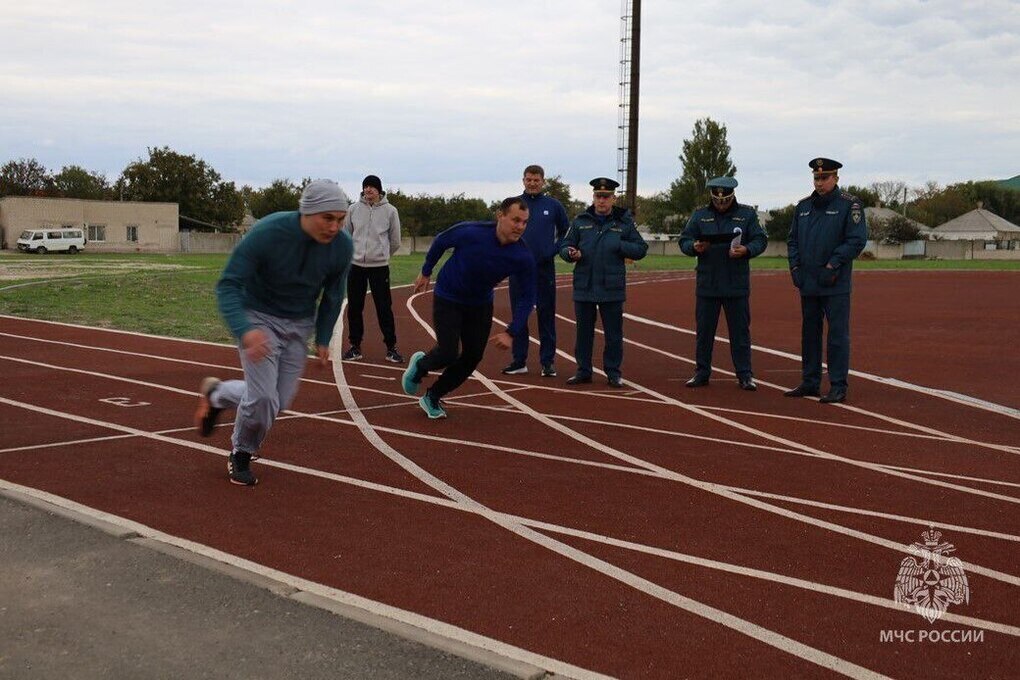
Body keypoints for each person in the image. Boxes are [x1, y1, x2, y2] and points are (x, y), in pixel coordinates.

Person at [194, 179, 353, 485]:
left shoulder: (342, 247)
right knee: (264, 398)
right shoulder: (267, 233)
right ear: (307, 213)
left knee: (275, 401)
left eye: (341, 219)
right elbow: (228, 284)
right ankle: (241, 452)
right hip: (259, 318)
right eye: (328, 218)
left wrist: (322, 338)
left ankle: (217, 395)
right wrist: (245, 329)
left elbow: (334, 295)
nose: (334, 227)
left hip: (299, 325)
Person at [401, 197, 536, 418]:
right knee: (448, 352)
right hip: (449, 296)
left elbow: (528, 296)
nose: (520, 227)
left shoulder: (522, 256)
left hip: (480, 304)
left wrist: (512, 331)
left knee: (473, 357)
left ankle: (433, 396)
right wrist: (426, 271)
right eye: (515, 220)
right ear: (500, 216)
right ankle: (420, 366)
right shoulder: (471, 232)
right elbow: (441, 241)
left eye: (524, 222)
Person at [785, 158, 867, 404]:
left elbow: (856, 240)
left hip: (835, 282)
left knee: (837, 335)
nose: (820, 183)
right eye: (816, 178)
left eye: (825, 178)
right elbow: (792, 241)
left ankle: (838, 385)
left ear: (836, 178)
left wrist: (833, 264)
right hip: (808, 281)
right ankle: (810, 381)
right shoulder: (803, 207)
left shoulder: (849, 206)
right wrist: (795, 267)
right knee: (809, 333)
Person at [679, 176, 768, 390]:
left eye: (725, 200)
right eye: (717, 200)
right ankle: (701, 372)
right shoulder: (700, 215)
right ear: (712, 196)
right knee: (704, 333)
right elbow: (684, 239)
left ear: (732, 196)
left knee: (740, 333)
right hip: (708, 283)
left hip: (736, 284)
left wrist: (747, 250)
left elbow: (760, 240)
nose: (721, 203)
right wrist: (694, 246)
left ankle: (745, 375)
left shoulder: (746, 215)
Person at [559, 177, 648, 388]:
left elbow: (641, 249)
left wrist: (620, 245)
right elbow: (565, 246)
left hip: (611, 287)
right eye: (598, 196)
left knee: (613, 334)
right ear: (593, 197)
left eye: (606, 197)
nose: (602, 201)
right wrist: (570, 254)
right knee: (583, 333)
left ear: (613, 198)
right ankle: (583, 370)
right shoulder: (580, 221)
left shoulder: (623, 223)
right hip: (585, 286)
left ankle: (613, 373)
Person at [501, 165, 569, 378]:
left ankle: (547, 362)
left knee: (546, 315)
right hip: (518, 269)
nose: (532, 183)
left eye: (536, 180)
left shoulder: (554, 205)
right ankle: (519, 360)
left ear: (543, 181)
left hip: (544, 269)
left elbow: (566, 232)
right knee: (519, 314)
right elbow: (501, 229)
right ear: (523, 180)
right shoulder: (514, 205)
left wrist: (553, 250)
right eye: (528, 179)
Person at [340, 174, 404, 363]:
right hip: (356, 266)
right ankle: (355, 346)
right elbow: (346, 235)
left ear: (379, 190)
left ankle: (391, 347)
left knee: (384, 308)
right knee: (354, 307)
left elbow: (395, 241)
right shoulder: (353, 209)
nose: (368, 190)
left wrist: (382, 255)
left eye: (372, 187)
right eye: (365, 186)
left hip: (379, 267)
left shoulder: (390, 211)